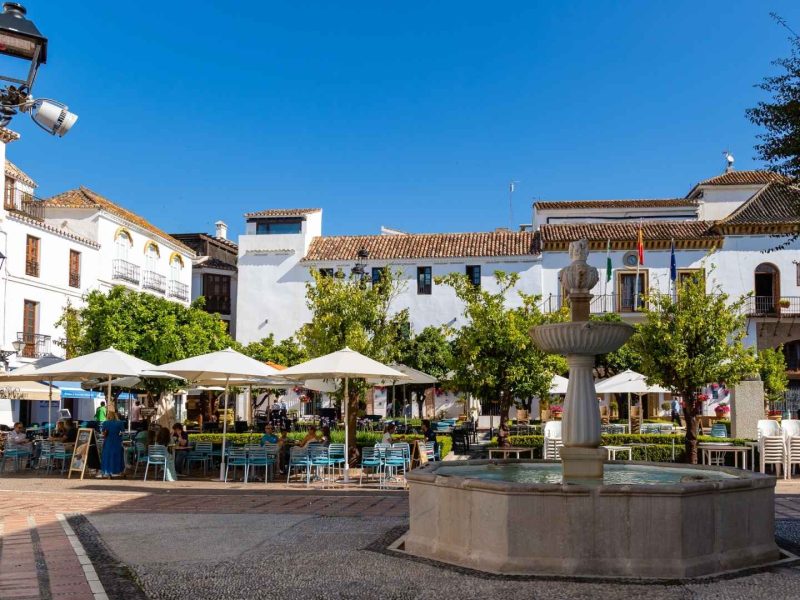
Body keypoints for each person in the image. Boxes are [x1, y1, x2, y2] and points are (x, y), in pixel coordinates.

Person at [100, 411, 126, 477]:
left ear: (108, 416)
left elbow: (103, 433)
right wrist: (119, 436)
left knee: (108, 455)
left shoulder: (105, 423)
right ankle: (119, 470)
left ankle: (108, 471)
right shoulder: (120, 423)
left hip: (108, 440)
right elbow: (123, 432)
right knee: (118, 455)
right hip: (117, 440)